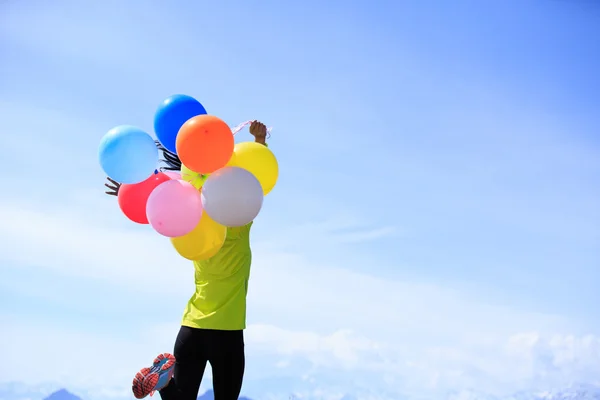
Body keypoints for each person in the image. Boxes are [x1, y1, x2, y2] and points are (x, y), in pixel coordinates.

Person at [104, 121, 269, 400]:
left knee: (181, 397)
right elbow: (255, 182)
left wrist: (129, 186)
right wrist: (260, 139)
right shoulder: (239, 225)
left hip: (191, 329)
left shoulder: (192, 222)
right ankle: (167, 385)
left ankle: (165, 385)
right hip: (227, 332)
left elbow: (161, 198)